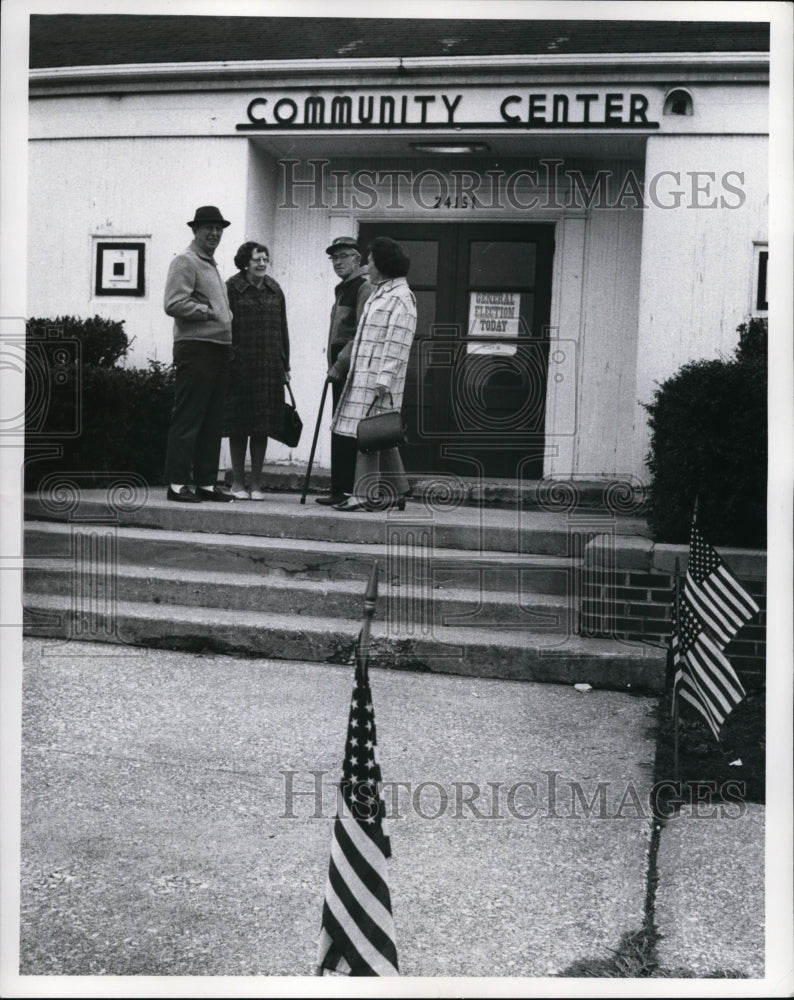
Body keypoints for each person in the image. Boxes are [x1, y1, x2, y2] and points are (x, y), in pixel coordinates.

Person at [330, 236, 417, 512]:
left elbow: (398, 341)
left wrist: (384, 379)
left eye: (370, 260)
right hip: (367, 375)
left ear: (382, 264)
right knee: (381, 436)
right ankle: (397, 491)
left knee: (365, 437)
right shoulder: (383, 291)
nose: (367, 265)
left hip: (379, 380)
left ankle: (363, 494)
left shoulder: (401, 297)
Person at [163, 205, 235, 503]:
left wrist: (223, 316)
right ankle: (177, 484)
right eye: (208, 228)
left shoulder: (211, 264)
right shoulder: (186, 261)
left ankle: (206, 483)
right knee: (190, 416)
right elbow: (173, 303)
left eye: (218, 229)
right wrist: (208, 312)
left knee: (213, 420)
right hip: (196, 348)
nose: (214, 234)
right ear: (195, 230)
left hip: (218, 350)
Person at [223, 242, 291, 500]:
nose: (262, 264)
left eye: (265, 259)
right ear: (245, 262)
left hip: (269, 366)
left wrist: (285, 365)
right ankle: (238, 483)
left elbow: (283, 329)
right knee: (239, 426)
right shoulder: (231, 288)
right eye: (256, 260)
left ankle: (257, 485)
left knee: (262, 426)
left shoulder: (275, 289)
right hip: (239, 366)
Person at [315, 236, 374, 506]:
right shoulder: (343, 288)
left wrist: (340, 363)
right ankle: (339, 490)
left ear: (357, 259)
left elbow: (362, 331)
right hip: (339, 368)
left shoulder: (363, 286)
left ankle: (348, 490)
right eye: (334, 258)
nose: (338, 262)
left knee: (347, 429)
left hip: (351, 369)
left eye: (343, 256)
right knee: (338, 428)